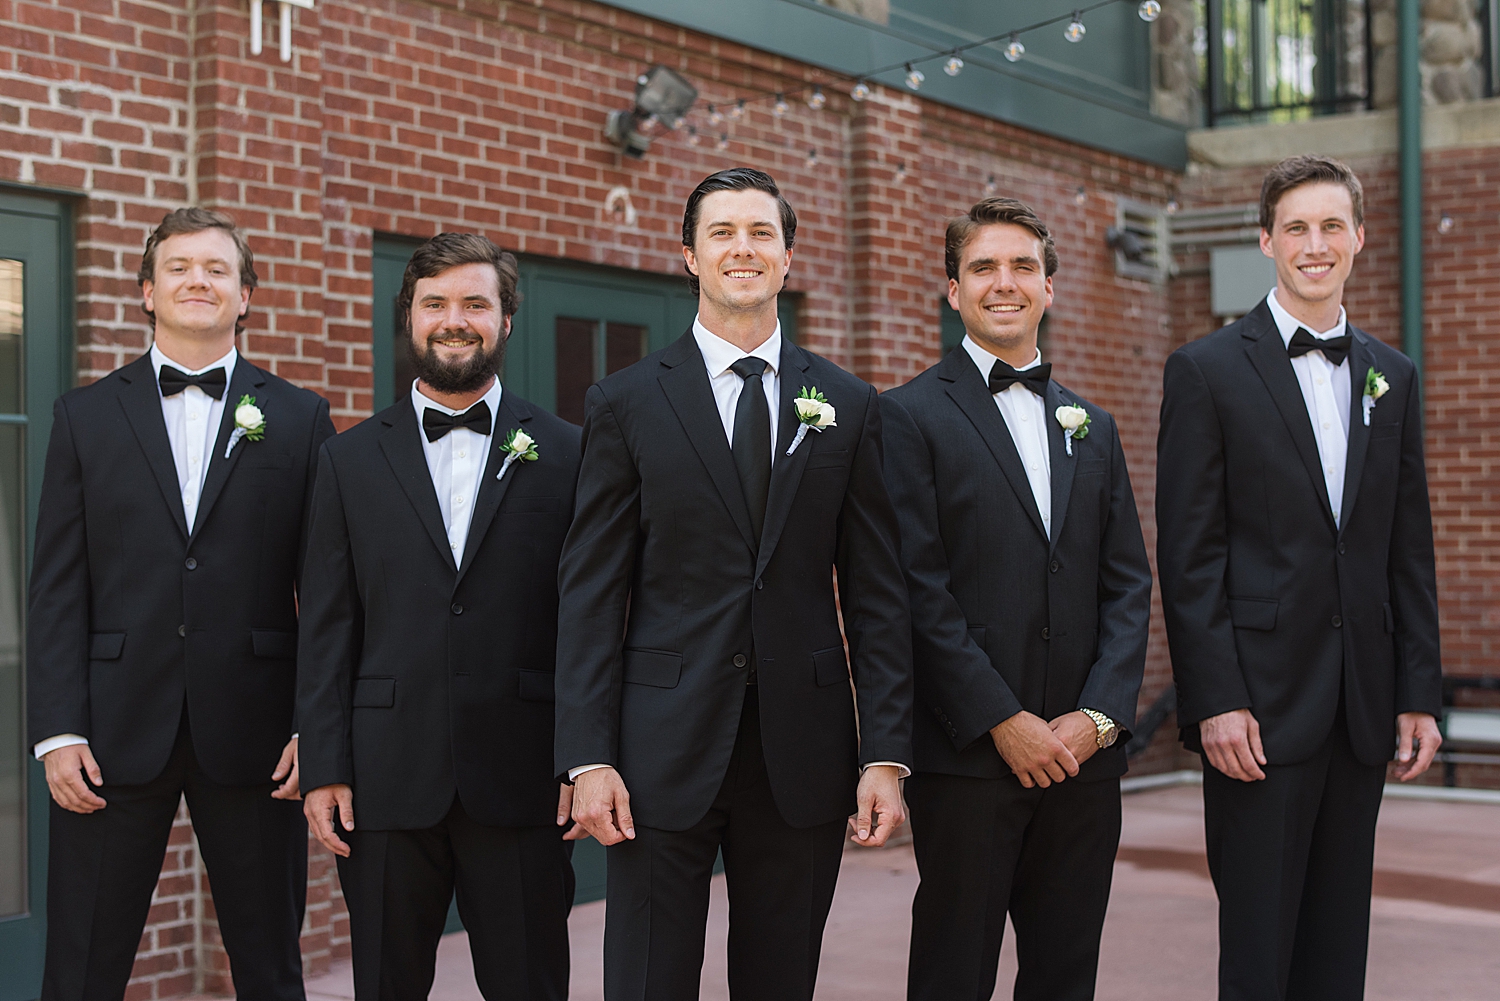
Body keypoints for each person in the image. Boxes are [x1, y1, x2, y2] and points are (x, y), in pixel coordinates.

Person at [555, 167, 913, 1000]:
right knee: (648, 980)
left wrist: (885, 752)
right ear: (689, 255)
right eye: (722, 232)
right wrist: (587, 755)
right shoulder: (625, 402)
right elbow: (592, 592)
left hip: (805, 749)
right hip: (658, 748)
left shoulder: (850, 405)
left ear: (789, 256)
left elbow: (877, 594)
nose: (742, 249)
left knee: (781, 979)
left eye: (760, 232)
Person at [27, 207, 334, 1001]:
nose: (198, 280)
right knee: (82, 962)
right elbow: (58, 585)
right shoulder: (84, 416)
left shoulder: (300, 418)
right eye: (179, 267)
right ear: (146, 291)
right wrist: (58, 730)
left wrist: (314, 721)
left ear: (245, 297)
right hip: (110, 729)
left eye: (217, 269)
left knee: (271, 964)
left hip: (261, 732)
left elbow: (327, 587)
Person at [1156, 155, 1443, 999]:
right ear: (1265, 242)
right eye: (1295, 229)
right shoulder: (1205, 370)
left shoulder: (1393, 375)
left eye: (1330, 227)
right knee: (1258, 952)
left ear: (1358, 238)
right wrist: (1213, 698)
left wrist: (1416, 688)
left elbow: (1407, 544)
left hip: (1361, 706)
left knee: (1337, 949)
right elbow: (1189, 552)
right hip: (1256, 714)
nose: (1314, 245)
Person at [881, 196, 1152, 1001]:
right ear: (952, 290)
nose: (1006, 282)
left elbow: (1129, 584)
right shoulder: (904, 417)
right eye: (984, 267)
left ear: (1049, 285)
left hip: (1083, 759)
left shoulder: (1093, 426)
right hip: (967, 758)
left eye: (1023, 266)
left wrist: (1099, 719)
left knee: (1067, 972)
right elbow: (914, 589)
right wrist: (1005, 720)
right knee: (952, 971)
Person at [297, 233, 580, 1001]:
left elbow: (588, 623)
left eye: (475, 303)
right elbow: (326, 622)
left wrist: (582, 757)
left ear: (506, 320)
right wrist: (325, 762)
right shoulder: (346, 460)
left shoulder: (570, 453)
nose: (455, 320)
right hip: (384, 779)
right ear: (410, 318)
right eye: (436, 304)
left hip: (525, 776)